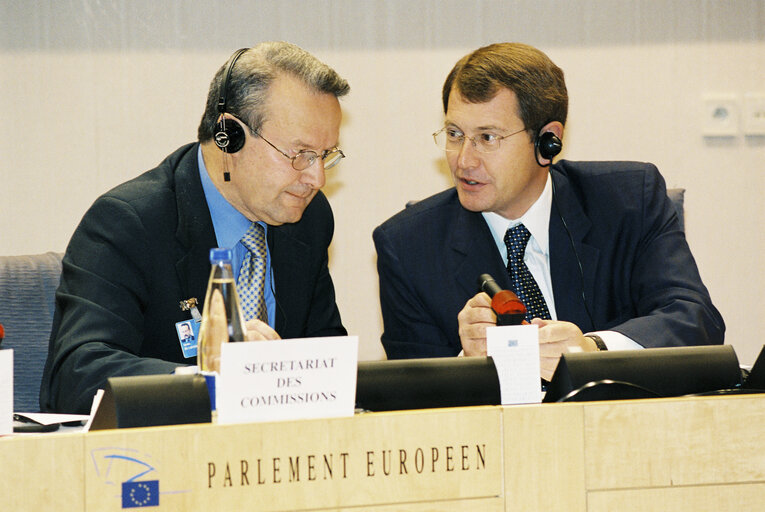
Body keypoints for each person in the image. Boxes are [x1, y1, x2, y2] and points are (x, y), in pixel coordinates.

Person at [373, 43, 724, 380]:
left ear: (547, 142)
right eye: (454, 134)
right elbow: (411, 397)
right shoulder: (408, 247)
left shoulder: (628, 201)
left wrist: (594, 349)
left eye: (488, 138)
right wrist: (466, 363)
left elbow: (694, 320)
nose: (464, 160)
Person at [41, 42, 350, 413]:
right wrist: (209, 379)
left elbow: (327, 361)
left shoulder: (309, 220)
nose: (316, 178)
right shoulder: (128, 223)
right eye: (300, 154)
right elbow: (78, 375)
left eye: (325, 156)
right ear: (228, 137)